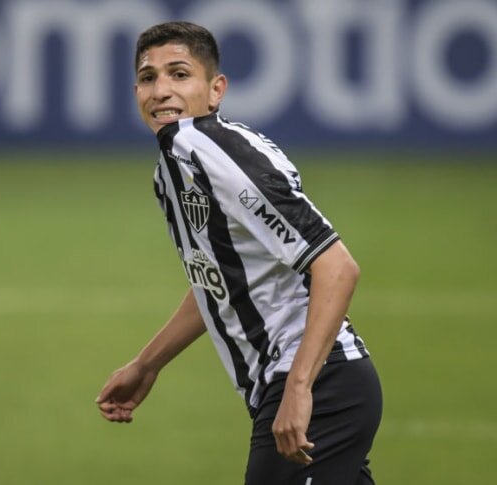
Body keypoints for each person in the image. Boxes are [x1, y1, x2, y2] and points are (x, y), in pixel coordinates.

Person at [95, 21, 382, 484]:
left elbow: (337, 266)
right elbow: (220, 282)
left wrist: (300, 386)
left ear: (215, 90)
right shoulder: (175, 167)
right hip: (306, 384)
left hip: (320, 385)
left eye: (179, 74)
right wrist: (147, 364)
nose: (161, 90)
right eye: (149, 78)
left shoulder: (212, 152)